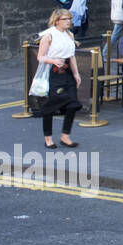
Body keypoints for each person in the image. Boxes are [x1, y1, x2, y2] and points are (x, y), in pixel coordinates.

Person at [36, 9, 82, 149]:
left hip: (67, 72)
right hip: (54, 73)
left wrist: (76, 73)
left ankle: (65, 136)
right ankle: (48, 138)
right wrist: (53, 60)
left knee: (73, 104)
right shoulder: (48, 35)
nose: (68, 21)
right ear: (56, 21)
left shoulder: (70, 34)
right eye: (65, 19)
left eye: (69, 19)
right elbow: (40, 57)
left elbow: (72, 56)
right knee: (51, 106)